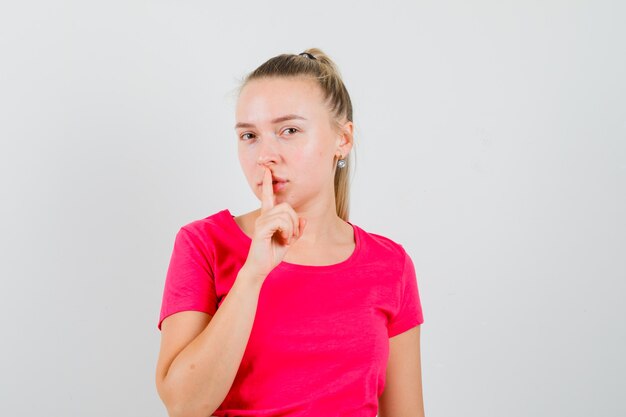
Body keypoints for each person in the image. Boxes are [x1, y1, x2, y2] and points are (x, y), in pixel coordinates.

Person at [155, 48, 425, 417]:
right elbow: (183, 405)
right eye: (249, 135)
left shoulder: (390, 264)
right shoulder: (203, 243)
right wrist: (252, 274)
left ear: (342, 140)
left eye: (289, 131)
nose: (265, 155)